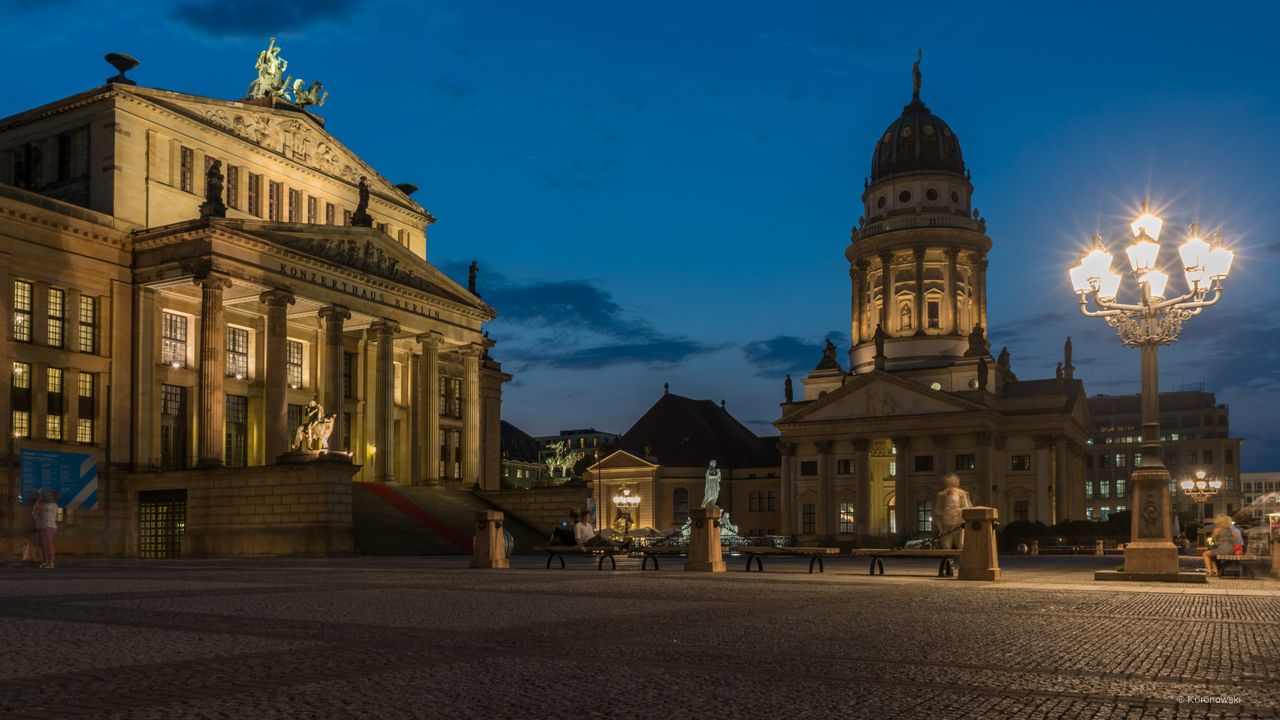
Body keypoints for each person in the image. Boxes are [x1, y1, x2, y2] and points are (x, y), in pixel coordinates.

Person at [933, 473, 972, 550]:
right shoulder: (942, 495)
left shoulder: (962, 494)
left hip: (959, 524)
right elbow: (937, 512)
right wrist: (940, 528)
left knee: (961, 545)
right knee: (946, 547)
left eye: (954, 482)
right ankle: (948, 561)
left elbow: (968, 508)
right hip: (946, 524)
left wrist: (958, 510)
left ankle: (963, 562)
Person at [32, 490, 59, 569]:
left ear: (54, 498)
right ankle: (45, 562)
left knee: (48, 545)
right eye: (48, 495)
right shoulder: (45, 504)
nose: (48, 497)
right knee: (42, 545)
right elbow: (35, 513)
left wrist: (38, 499)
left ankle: (51, 563)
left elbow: (42, 508)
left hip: (49, 526)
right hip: (41, 527)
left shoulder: (53, 505)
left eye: (50, 496)